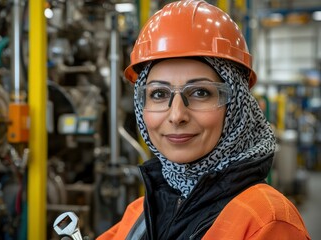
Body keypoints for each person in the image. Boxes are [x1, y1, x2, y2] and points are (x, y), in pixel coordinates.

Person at [97, 0, 311, 239]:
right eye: (158, 94)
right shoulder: (141, 212)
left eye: (200, 92)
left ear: (236, 106)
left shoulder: (266, 221)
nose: (177, 115)